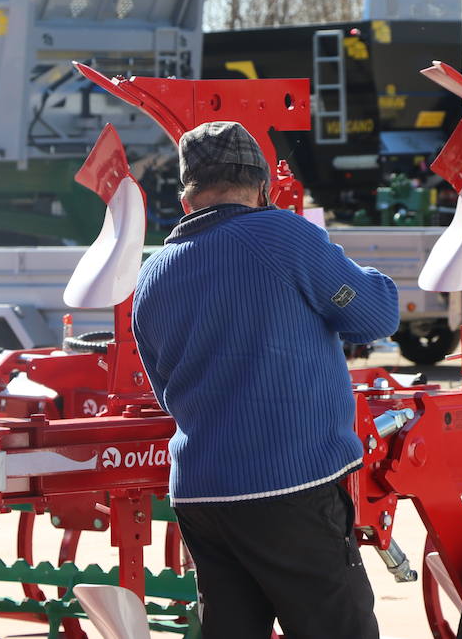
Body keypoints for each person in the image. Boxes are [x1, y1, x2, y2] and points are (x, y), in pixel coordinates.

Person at [131, 120, 398, 639]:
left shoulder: (152, 276)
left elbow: (168, 390)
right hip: (289, 484)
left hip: (201, 495)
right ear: (262, 188)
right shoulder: (284, 235)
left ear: (188, 199)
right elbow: (375, 315)